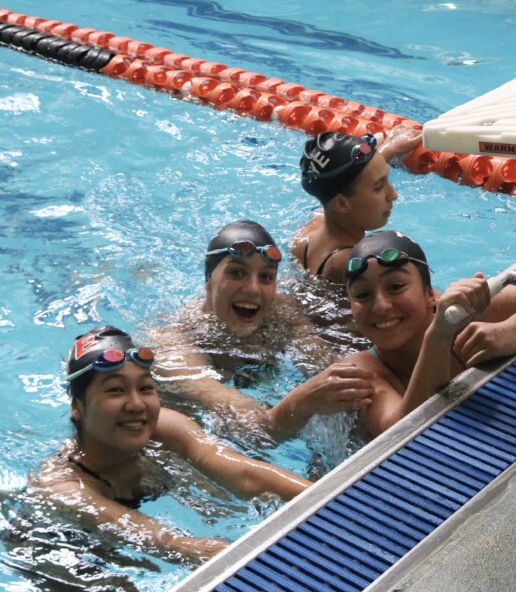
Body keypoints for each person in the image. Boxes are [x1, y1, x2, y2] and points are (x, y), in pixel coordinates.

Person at [28, 326, 311, 566]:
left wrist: (321, 497)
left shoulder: (163, 428)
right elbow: (171, 544)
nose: (137, 404)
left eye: (145, 388)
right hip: (63, 553)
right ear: (77, 407)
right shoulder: (63, 487)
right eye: (115, 390)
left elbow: (243, 473)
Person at [327, 230, 516, 438]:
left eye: (396, 287)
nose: (381, 305)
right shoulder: (362, 371)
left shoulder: (464, 313)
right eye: (362, 295)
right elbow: (400, 435)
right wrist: (439, 334)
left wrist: (514, 331)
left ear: (431, 294)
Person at [147, 220, 373, 440]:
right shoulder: (176, 344)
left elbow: (322, 362)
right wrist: (303, 402)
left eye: (265, 277)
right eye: (237, 273)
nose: (253, 289)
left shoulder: (280, 311)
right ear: (208, 279)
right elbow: (253, 431)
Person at [291, 128, 420, 285]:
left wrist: (388, 149)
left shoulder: (304, 236)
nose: (393, 195)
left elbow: (334, 188)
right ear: (341, 203)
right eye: (379, 187)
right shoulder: (356, 264)